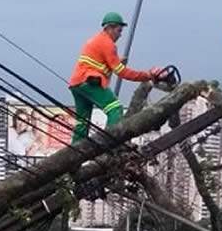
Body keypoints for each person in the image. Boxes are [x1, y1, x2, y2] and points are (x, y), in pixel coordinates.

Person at [68, 12, 161, 143]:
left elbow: (100, 64)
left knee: (82, 122)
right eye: (119, 30)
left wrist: (116, 62)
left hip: (76, 84)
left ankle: (75, 153)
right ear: (110, 28)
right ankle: (107, 144)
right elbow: (122, 72)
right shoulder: (107, 43)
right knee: (115, 109)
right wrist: (146, 76)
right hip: (90, 82)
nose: (120, 34)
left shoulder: (95, 40)